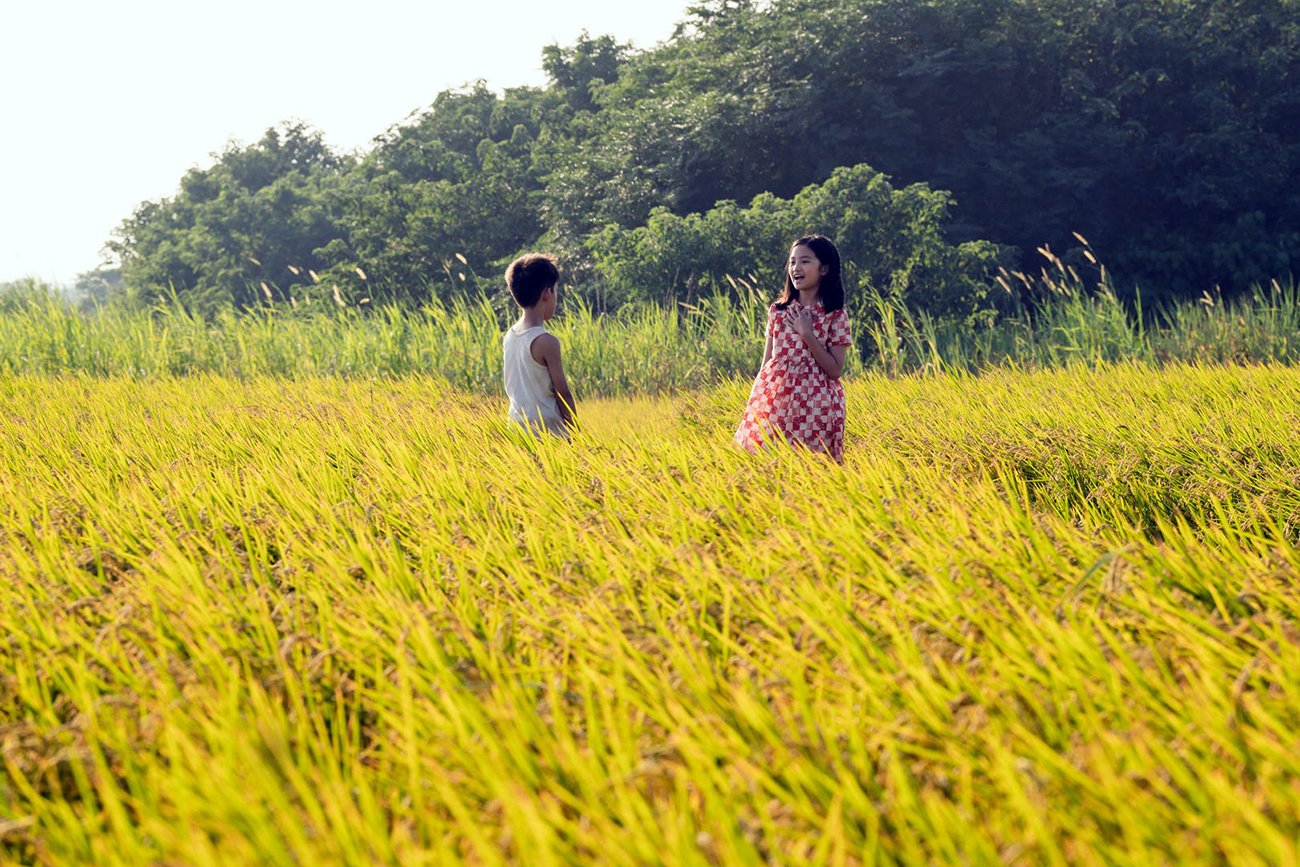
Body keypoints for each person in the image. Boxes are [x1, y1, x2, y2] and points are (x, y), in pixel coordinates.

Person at [734, 234, 853, 462]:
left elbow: (835, 370)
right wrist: (756, 403)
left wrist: (807, 334)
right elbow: (767, 363)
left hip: (817, 406)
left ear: (824, 269)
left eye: (805, 261)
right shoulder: (778, 311)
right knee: (767, 463)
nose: (796, 268)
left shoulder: (835, 315)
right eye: (792, 262)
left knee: (813, 468)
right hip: (778, 401)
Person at [502, 253, 576, 437]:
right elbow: (563, 394)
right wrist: (575, 432)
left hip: (517, 431)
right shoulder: (546, 342)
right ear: (547, 294)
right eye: (556, 291)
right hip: (549, 435)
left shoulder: (509, 336)